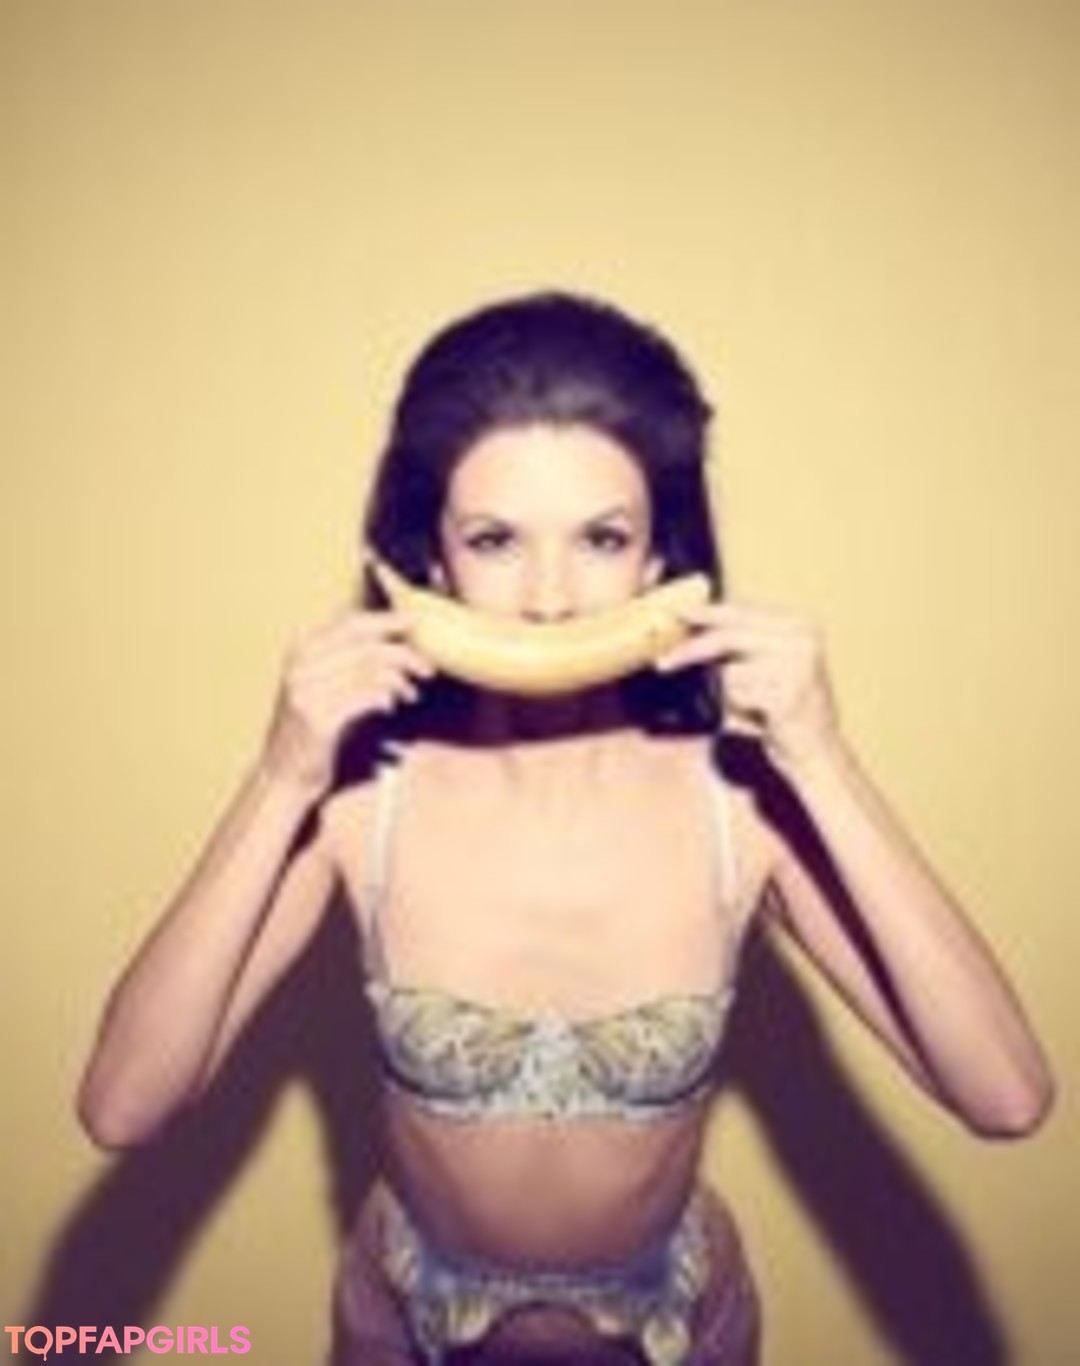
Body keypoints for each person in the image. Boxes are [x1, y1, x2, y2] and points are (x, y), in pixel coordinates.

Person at [77, 292, 1054, 1365]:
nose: (549, 600)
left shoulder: (744, 805)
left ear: (659, 560)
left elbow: (1005, 1096)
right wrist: (279, 778)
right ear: (432, 562)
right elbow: (122, 1108)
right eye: (495, 540)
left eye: (602, 538)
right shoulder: (356, 801)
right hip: (408, 1329)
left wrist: (823, 758)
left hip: (673, 1331)